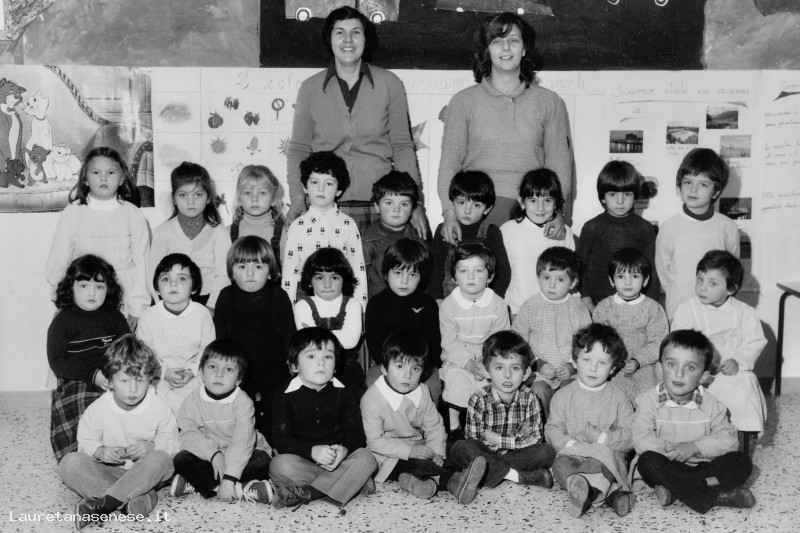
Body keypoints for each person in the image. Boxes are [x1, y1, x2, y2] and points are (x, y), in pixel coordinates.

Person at [286, 5, 424, 236]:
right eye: (340, 32)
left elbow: (402, 147)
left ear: (365, 38)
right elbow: (299, 150)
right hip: (324, 206)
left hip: (381, 207)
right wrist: (298, 199)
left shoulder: (390, 84)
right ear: (329, 39)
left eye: (356, 32)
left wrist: (415, 201)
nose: (348, 39)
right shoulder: (309, 88)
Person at [438, 12, 574, 245]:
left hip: (532, 212)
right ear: (487, 50)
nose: (506, 48)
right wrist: (449, 213)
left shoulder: (550, 102)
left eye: (513, 40)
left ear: (524, 49)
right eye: (497, 41)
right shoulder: (463, 101)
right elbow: (449, 163)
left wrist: (557, 212)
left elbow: (559, 163)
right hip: (476, 212)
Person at [58, 334, 178, 530]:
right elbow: (86, 442)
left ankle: (105, 505)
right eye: (124, 381)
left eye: (140, 381)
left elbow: (173, 444)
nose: (133, 389)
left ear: (150, 380)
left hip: (146, 473)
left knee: (160, 459)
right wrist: (99, 452)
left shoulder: (160, 408)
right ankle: (136, 499)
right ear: (110, 381)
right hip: (110, 471)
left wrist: (152, 446)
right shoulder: (98, 409)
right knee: (69, 463)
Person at [633, 330, 756, 514]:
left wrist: (695, 446)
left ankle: (677, 489)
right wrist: (674, 450)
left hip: (703, 465)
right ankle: (714, 495)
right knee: (647, 461)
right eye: (671, 364)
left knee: (741, 461)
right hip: (668, 464)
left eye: (690, 368)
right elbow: (641, 440)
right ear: (659, 368)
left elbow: (730, 441)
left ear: (704, 376)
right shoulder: (648, 401)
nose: (679, 374)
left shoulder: (712, 404)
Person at [360, 331, 487, 504]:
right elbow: (375, 441)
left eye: (415, 369)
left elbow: (434, 426)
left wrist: (437, 453)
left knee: (453, 448)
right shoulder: (372, 398)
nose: (407, 375)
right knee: (417, 463)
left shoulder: (422, 391)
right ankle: (454, 483)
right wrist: (410, 451)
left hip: (420, 446)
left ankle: (421, 482)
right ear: (384, 368)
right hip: (388, 455)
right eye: (400, 366)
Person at [269, 328, 378, 509]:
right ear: (294, 366)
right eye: (311, 356)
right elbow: (281, 440)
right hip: (303, 462)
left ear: (336, 365)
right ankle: (352, 483)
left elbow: (357, 434)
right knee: (278, 466)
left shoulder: (345, 392)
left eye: (328, 357)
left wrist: (344, 450)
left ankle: (309, 493)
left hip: (339, 461)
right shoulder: (283, 395)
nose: (321, 363)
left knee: (367, 458)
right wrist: (311, 451)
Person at [45, 146, 149, 328]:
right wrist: (61, 301)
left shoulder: (133, 214)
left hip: (123, 301)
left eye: (110, 172)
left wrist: (138, 307)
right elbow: (59, 260)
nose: (103, 178)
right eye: (95, 172)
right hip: (82, 299)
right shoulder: (73, 213)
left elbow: (142, 265)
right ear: (85, 179)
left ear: (121, 178)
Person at [545, 324, 636, 518]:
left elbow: (630, 435)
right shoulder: (562, 396)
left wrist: (602, 438)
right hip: (573, 454)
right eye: (587, 360)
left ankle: (587, 494)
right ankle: (609, 495)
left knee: (599, 463)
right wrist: (570, 444)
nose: (593, 368)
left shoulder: (619, 397)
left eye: (602, 363)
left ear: (613, 368)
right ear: (575, 361)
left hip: (604, 457)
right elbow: (552, 429)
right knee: (559, 466)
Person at [672, 251, 767, 434]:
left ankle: (739, 431)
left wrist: (737, 361)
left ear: (731, 288)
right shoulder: (687, 309)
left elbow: (754, 342)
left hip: (731, 369)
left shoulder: (744, 312)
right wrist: (699, 363)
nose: (702, 288)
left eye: (712, 283)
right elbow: (679, 343)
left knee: (744, 384)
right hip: (696, 369)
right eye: (700, 280)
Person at [449, 330, 556, 490]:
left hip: (515, 455)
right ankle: (517, 476)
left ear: (526, 373)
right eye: (499, 367)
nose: (507, 375)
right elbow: (474, 440)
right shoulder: (478, 399)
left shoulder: (530, 399)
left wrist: (499, 440)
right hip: (486, 453)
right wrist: (516, 440)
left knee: (547, 452)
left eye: (515, 368)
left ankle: (486, 473)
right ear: (487, 371)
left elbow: (535, 439)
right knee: (460, 448)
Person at [48, 254, 130, 461]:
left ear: (108, 289)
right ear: (71, 288)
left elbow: (127, 350)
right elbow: (58, 362)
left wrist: (114, 375)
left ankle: (122, 452)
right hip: (76, 380)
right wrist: (93, 376)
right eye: (84, 286)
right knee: (87, 403)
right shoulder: (62, 321)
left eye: (99, 287)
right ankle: (83, 456)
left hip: (111, 376)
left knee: (129, 399)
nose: (92, 292)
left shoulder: (115, 317)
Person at [171, 339, 274, 504]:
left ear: (239, 379)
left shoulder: (243, 402)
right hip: (210, 457)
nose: (219, 374)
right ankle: (240, 489)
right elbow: (188, 434)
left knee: (264, 460)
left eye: (229, 369)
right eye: (212, 367)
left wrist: (229, 478)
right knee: (181, 459)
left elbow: (243, 443)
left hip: (243, 456)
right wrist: (213, 454)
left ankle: (205, 485)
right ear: (201, 373)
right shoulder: (192, 400)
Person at [214, 236, 296, 437]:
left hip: (274, 368)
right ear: (232, 272)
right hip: (238, 370)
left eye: (258, 267)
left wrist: (293, 362)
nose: (250, 273)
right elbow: (220, 339)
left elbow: (289, 334)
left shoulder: (278, 295)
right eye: (242, 267)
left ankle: (273, 444)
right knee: (240, 414)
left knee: (277, 410)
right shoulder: (226, 296)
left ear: (270, 271)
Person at [656, 148, 739, 318]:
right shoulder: (669, 227)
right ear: (680, 185)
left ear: (716, 191)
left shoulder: (727, 226)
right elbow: (664, 273)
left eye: (703, 184)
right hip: (679, 311)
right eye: (688, 182)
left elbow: (733, 272)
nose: (693, 190)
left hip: (716, 312)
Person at [439, 244, 510, 437]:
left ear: (490, 276)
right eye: (463, 271)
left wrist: (485, 362)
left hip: (488, 358)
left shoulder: (498, 304)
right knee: (455, 381)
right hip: (458, 359)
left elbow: (500, 340)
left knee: (494, 384)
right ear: (453, 277)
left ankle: (487, 427)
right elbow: (450, 342)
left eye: (478, 270)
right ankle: (454, 427)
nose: (470, 277)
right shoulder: (448, 306)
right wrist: (469, 363)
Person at [282, 151, 368, 308]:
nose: (320, 189)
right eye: (314, 182)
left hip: (341, 299)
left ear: (339, 190)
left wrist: (360, 309)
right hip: (305, 299)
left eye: (329, 183)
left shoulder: (348, 224)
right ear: (305, 186)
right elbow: (290, 272)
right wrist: (288, 311)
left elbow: (358, 270)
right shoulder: (297, 226)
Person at [511, 247, 591, 414]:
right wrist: (537, 364)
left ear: (573, 283)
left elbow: (587, 345)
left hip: (570, 372)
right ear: (538, 278)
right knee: (538, 391)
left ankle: (566, 427)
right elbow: (517, 342)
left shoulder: (579, 309)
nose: (552, 284)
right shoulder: (529, 306)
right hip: (537, 372)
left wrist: (572, 366)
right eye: (546, 277)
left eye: (560, 279)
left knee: (571, 391)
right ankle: (543, 427)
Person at [576, 160, 659, 313]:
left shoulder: (645, 228)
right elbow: (581, 267)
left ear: (635, 196)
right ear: (603, 197)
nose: (620, 201)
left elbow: (652, 272)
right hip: (597, 303)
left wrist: (649, 307)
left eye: (627, 194)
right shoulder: (591, 227)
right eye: (613, 194)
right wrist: (586, 300)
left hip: (636, 304)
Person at [137, 253, 215, 414]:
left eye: (182, 279)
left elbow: (207, 351)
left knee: (202, 404)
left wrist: (191, 371)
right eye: (165, 279)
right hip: (158, 375)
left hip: (194, 375)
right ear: (157, 289)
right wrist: (164, 372)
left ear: (194, 288)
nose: (173, 284)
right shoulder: (148, 316)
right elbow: (145, 354)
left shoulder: (202, 314)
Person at [365, 239, 442, 403]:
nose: (404, 281)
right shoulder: (376, 304)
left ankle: (426, 419)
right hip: (387, 365)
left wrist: (421, 369)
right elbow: (374, 343)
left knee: (432, 387)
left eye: (412, 275)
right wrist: (388, 366)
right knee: (372, 385)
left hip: (421, 366)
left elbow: (434, 343)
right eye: (398, 273)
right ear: (386, 273)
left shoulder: (428, 304)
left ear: (421, 277)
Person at [149, 161, 231, 311]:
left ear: (208, 198)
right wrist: (163, 307)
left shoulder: (218, 231)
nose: (191, 201)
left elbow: (224, 274)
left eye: (198, 194)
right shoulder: (163, 232)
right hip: (171, 300)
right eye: (183, 195)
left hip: (209, 300)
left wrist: (212, 307)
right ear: (174, 198)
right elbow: (154, 275)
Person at [593, 248, 669, 402]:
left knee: (648, 398)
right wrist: (614, 361)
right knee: (611, 398)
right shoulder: (604, 307)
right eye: (621, 276)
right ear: (611, 280)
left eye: (635, 276)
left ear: (645, 280)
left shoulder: (653, 308)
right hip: (612, 366)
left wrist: (637, 361)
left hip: (645, 366)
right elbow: (599, 342)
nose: (628, 282)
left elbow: (658, 343)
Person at [501, 169, 575, 315]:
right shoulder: (508, 230)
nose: (540, 208)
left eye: (547, 201)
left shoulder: (564, 232)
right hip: (518, 310)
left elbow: (571, 274)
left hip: (557, 310)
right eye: (533, 201)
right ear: (522, 202)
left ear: (556, 203)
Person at [428, 171, 511, 301]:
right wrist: (436, 299)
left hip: (482, 303)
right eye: (461, 203)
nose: (467, 210)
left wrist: (494, 301)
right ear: (452, 203)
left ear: (487, 209)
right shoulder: (443, 230)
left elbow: (503, 272)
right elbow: (435, 270)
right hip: (449, 303)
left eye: (476, 205)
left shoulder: (491, 232)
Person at [294, 247, 366, 397]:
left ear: (344, 280)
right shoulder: (303, 305)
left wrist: (316, 334)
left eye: (335, 277)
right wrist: (338, 336)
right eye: (319, 278)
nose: (327, 284)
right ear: (309, 281)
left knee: (353, 398)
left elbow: (351, 341)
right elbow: (308, 343)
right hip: (312, 366)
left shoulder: (353, 305)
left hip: (346, 367)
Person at [362, 170, 426, 299]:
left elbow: (424, 275)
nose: (396, 209)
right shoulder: (367, 240)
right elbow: (360, 279)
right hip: (377, 304)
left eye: (404, 204)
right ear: (377, 206)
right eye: (389, 202)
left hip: (410, 303)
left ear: (412, 209)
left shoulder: (418, 238)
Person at [229, 165, 284, 269]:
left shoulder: (285, 234)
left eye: (262, 193)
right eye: (247, 193)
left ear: (273, 199)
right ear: (239, 199)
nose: (254, 198)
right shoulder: (227, 234)